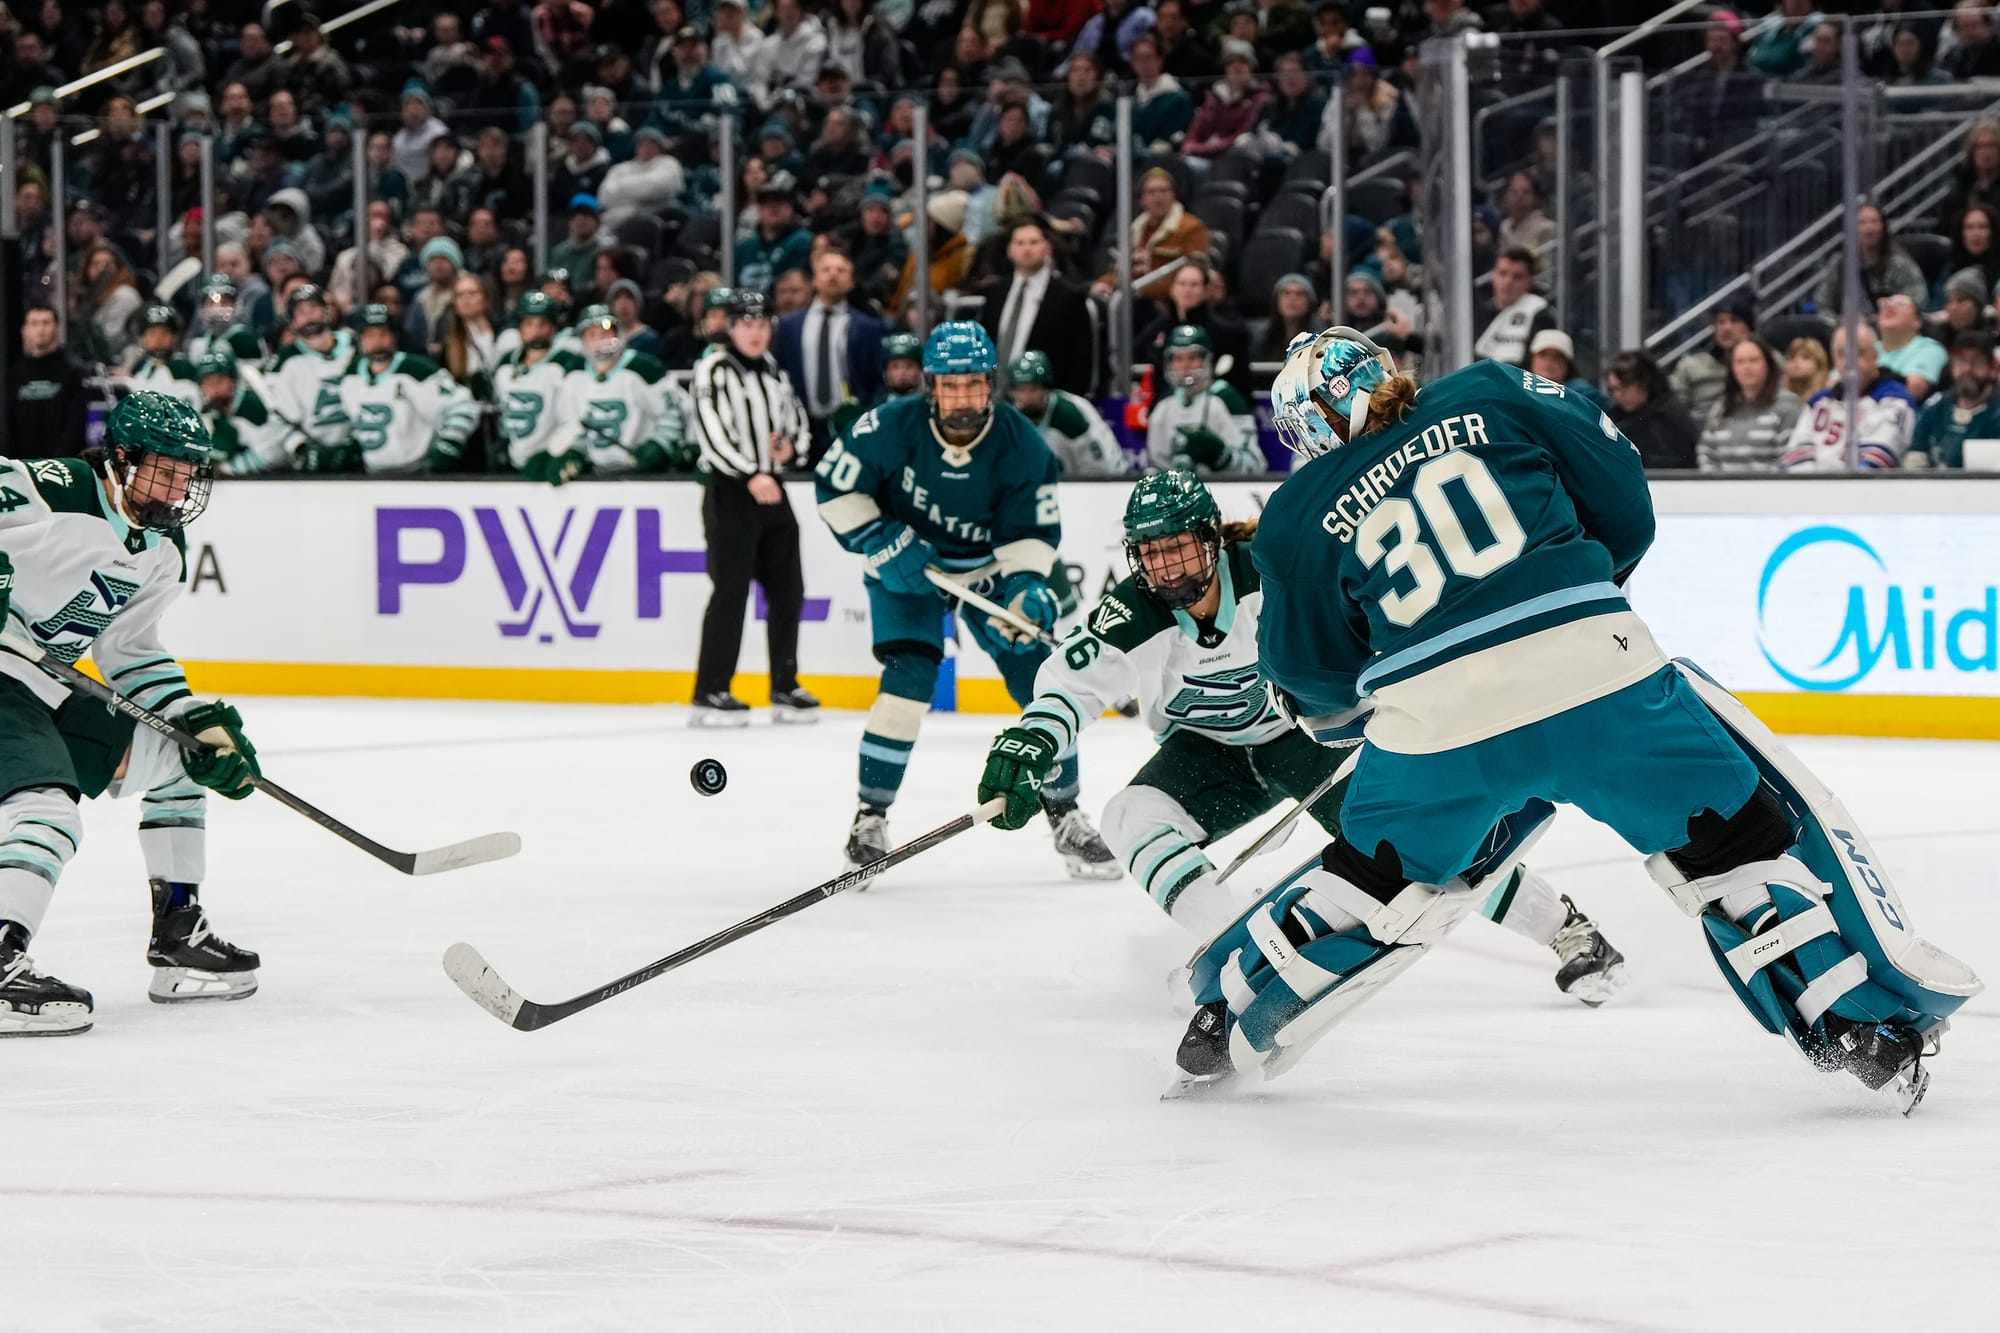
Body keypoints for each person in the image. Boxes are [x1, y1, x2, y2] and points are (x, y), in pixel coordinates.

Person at [1173, 326, 1980, 1106]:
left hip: (1435, 725)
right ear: (1385, 370)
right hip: (1598, 669)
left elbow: (1310, 679)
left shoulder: (1294, 512)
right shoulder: (1488, 388)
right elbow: (1621, 487)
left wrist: (1367, 712)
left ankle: (1229, 1012)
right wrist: (1582, 588)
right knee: (1734, 843)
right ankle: (1855, 1026)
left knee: (1375, 870)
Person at [975, 471, 1627, 1002]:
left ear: (1211, 539)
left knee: (1426, 845)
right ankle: (1228, 945)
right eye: (1150, 552)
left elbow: (1370, 626)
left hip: (1310, 736)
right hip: (1211, 758)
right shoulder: (1134, 611)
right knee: (1127, 813)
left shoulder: (1274, 577)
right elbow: (1074, 682)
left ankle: (1566, 929)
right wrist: (1031, 741)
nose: (1167, 566)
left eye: (1178, 546)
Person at [0, 392, 264, 1032]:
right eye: (164, 470)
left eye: (186, 474)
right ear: (122, 458)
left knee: (181, 762)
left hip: (41, 687)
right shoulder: (51, 489)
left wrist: (192, 717)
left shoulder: (161, 550)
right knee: (46, 808)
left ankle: (177, 934)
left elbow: (129, 653)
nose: (177, 487)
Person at [813, 322, 1116, 878]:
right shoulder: (888, 426)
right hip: (904, 567)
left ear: (990, 385)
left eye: (972, 385)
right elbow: (834, 486)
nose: (961, 398)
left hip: (991, 572)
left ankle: (1067, 813)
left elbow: (1031, 536)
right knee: (907, 682)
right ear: (930, 387)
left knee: (1040, 682)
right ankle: (870, 815)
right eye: (949, 386)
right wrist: (880, 541)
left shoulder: (1022, 443)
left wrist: (1026, 588)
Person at [688, 291, 818, 727]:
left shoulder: (775, 372)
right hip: (732, 491)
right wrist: (750, 473)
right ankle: (710, 690)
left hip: (772, 487)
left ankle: (784, 682)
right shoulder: (713, 368)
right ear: (732, 326)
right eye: (748, 324)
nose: (756, 332)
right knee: (730, 591)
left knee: (789, 589)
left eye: (763, 324)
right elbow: (711, 431)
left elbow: (797, 422)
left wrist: (789, 450)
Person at [302, 305, 478, 475]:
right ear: (361, 339)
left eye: (382, 334)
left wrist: (450, 442)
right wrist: (350, 447)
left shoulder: (418, 370)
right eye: (369, 335)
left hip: (419, 473)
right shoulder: (351, 376)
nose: (377, 341)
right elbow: (360, 423)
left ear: (394, 336)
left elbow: (463, 405)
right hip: (372, 475)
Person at [538, 306, 693, 483]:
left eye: (605, 333)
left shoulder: (644, 369)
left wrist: (659, 445)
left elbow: (673, 413)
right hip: (595, 476)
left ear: (617, 334)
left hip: (642, 476)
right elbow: (575, 427)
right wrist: (574, 453)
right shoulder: (575, 376)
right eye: (592, 335)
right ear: (583, 341)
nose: (600, 341)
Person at [775, 248, 886, 460]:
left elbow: (876, 378)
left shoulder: (868, 327)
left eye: (841, 270)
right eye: (826, 269)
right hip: (801, 427)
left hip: (850, 427)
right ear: (814, 280)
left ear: (851, 281)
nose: (833, 275)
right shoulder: (788, 327)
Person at [979, 219, 1098, 398]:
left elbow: (1080, 360)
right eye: (1019, 243)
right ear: (1009, 250)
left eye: (1034, 242)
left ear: (1047, 248)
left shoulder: (1069, 296)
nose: (1026, 249)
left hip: (1046, 400)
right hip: (996, 399)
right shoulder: (996, 293)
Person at [1781, 323, 1918, 471]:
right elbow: (1796, 455)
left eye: (1858, 353)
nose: (1849, 361)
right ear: (1834, 359)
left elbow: (1877, 460)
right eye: (1842, 353)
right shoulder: (1819, 401)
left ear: (1875, 357)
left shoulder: (1895, 400)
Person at [1146, 326, 1262, 475]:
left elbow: (1255, 467)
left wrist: (1221, 455)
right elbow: (1155, 466)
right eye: (1178, 359)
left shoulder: (1227, 398)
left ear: (1207, 360)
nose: (1185, 365)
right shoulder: (1164, 404)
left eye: (1193, 357)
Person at [492, 292, 585, 475]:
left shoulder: (568, 364)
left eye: (542, 324)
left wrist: (553, 453)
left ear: (553, 328)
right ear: (520, 327)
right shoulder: (505, 365)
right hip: (513, 466)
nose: (536, 331)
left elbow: (576, 421)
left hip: (551, 464)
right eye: (529, 324)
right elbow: (501, 413)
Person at [264, 285, 357, 466]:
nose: (309, 317)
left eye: (314, 308)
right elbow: (278, 417)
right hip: (312, 456)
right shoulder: (283, 362)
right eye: (300, 312)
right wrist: (301, 448)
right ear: (292, 322)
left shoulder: (355, 345)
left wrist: (358, 442)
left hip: (359, 449)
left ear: (327, 312)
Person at [1093, 168, 1211, 301]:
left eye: (1164, 191)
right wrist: (1104, 283)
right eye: (1151, 192)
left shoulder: (1191, 227)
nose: (1158, 196)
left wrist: (1141, 291)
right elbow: (1119, 270)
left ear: (1173, 195)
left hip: (1166, 302)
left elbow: (1196, 274)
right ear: (1142, 200)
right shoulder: (1135, 229)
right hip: (1132, 297)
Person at [1007, 352, 1129, 476]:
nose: (1027, 397)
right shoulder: (1012, 419)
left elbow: (1098, 469)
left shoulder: (1069, 415)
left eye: (1033, 390)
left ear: (1046, 388)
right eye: (1021, 390)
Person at [1698, 337, 1799, 474]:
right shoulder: (1720, 408)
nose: (1747, 367)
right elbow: (1706, 454)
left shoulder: (1787, 407)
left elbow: (1788, 459)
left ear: (1768, 364)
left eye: (1753, 360)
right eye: (1739, 362)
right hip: (1723, 490)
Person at [4, 307, 90, 459]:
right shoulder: (13, 376)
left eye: (46, 322)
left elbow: (76, 425)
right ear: (24, 330)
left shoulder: (73, 373)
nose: (40, 329)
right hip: (22, 466)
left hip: (62, 464)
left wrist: (60, 460)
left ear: (57, 327)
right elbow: (8, 425)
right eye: (34, 323)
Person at [1812, 202, 1927, 312]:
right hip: (1847, 329)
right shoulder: (1839, 263)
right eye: (1862, 222)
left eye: (1874, 221)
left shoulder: (1900, 264)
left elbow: (1917, 301)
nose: (1869, 228)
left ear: (1883, 227)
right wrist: (1838, 324)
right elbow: (1822, 303)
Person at [1909, 330, 2000, 468]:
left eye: (1977, 362)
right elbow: (1915, 458)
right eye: (1960, 362)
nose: (1967, 369)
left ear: (1992, 368)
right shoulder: (1934, 407)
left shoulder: (1996, 412)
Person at [195, 347, 289, 475]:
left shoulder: (252, 408)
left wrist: (227, 468)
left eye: (218, 381)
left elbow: (273, 457)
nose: (213, 389)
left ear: (233, 381)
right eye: (207, 383)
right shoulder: (216, 407)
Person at [1604, 350, 1700, 469]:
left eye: (1625, 386)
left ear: (1645, 382)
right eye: (1613, 389)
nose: (1618, 395)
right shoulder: (1611, 420)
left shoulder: (1672, 419)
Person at [1668, 296, 1754, 423]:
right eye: (1720, 322)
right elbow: (1674, 411)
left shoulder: (1767, 363)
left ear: (1749, 328)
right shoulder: (1691, 366)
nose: (1726, 328)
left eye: (1735, 320)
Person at [1472, 246, 1555, 367]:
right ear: (1493, 276)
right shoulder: (1477, 314)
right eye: (1502, 273)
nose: (1508, 281)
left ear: (1530, 282)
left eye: (1517, 277)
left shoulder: (1541, 315)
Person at [121, 307, 203, 410]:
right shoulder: (141, 367)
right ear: (143, 338)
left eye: (164, 333)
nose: (158, 339)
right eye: (152, 334)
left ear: (174, 337)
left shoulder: (181, 367)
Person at [1875, 294, 1948, 400]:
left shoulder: (1930, 349)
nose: (1890, 306)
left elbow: (1912, 390)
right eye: (1885, 303)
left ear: (1917, 321)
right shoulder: (1868, 347)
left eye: (1901, 304)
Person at [186, 273, 267, 365]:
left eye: (224, 302)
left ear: (236, 304)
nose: (218, 308)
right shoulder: (200, 342)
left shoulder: (245, 339)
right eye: (211, 302)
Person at [1784, 334, 1831, 401]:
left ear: (1818, 364)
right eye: (1792, 357)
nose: (1796, 361)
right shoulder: (1780, 395)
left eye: (1805, 357)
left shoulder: (1827, 395)